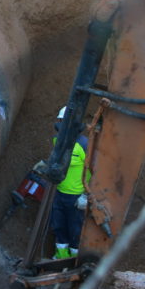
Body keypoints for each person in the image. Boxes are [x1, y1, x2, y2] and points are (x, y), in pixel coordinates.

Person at [50, 106, 89, 260]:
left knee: (75, 231)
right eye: (60, 121)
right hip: (59, 193)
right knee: (59, 227)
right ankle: (60, 258)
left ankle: (74, 262)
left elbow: (95, 170)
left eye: (63, 120)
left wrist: (86, 195)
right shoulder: (57, 141)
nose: (60, 124)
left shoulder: (85, 145)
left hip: (76, 198)